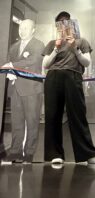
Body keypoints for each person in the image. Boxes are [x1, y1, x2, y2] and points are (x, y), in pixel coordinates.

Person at [42, 11, 95, 164]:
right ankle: (54, 154)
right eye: (60, 22)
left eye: (66, 21)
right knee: (52, 116)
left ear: (72, 24)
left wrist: (75, 48)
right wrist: (56, 49)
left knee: (78, 115)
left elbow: (86, 63)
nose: (64, 24)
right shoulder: (52, 43)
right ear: (57, 27)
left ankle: (89, 155)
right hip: (53, 77)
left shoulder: (81, 41)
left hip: (73, 76)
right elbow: (45, 65)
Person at [2, 19, 44, 163]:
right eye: (20, 28)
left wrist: (12, 65)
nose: (22, 30)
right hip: (16, 89)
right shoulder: (13, 47)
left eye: (26, 28)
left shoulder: (39, 45)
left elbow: (33, 61)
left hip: (32, 89)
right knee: (16, 122)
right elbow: (8, 64)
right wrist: (10, 68)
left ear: (33, 30)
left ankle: (29, 152)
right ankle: (15, 151)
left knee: (32, 122)